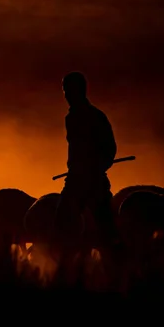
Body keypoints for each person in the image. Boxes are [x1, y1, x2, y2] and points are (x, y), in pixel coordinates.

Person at [54, 72, 119, 256]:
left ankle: (119, 267)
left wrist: (97, 167)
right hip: (75, 180)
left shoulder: (96, 117)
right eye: (65, 91)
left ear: (80, 91)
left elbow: (110, 148)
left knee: (107, 228)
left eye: (69, 91)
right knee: (61, 224)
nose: (66, 95)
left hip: (94, 180)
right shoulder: (71, 118)